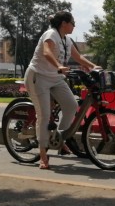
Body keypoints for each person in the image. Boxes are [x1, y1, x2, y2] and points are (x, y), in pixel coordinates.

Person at [24, 11, 98, 170]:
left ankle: (59, 138)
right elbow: (47, 51)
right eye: (72, 23)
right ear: (64, 23)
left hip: (55, 77)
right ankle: (43, 156)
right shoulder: (51, 34)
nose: (74, 26)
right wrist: (59, 66)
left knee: (71, 105)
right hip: (39, 76)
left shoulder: (67, 40)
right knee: (44, 114)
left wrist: (93, 67)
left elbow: (78, 58)